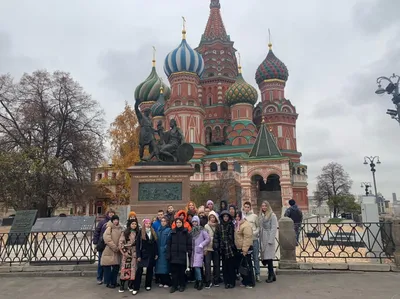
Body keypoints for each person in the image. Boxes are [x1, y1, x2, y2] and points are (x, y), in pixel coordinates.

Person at [133, 219, 158, 295]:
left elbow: (155, 244)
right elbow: (138, 245)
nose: (148, 225)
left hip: (151, 254)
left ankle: (148, 285)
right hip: (143, 254)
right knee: (139, 271)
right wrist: (138, 255)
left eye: (149, 223)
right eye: (147, 223)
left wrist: (156, 253)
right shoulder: (141, 232)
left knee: (150, 270)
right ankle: (136, 287)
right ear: (144, 224)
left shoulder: (153, 232)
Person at [167, 218, 192, 293]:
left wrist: (189, 251)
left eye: (179, 222)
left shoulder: (186, 232)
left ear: (182, 223)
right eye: (177, 222)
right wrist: (168, 254)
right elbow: (169, 244)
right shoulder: (172, 232)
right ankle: (174, 286)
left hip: (182, 255)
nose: (178, 224)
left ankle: (182, 285)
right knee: (174, 272)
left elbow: (189, 244)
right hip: (174, 256)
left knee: (181, 272)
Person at [213, 210, 236, 289]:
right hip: (223, 248)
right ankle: (226, 282)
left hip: (230, 248)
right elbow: (216, 237)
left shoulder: (231, 225)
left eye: (227, 216)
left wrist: (233, 245)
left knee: (231, 266)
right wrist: (217, 246)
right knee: (225, 266)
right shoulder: (219, 226)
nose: (225, 218)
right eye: (224, 216)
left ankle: (232, 282)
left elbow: (234, 236)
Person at [93, 209, 115, 285]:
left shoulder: (115, 222)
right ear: (107, 213)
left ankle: (108, 278)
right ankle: (99, 278)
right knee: (101, 262)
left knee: (110, 263)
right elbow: (97, 232)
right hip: (103, 245)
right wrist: (95, 242)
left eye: (112, 213)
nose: (111, 214)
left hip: (111, 245)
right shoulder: (102, 222)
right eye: (110, 213)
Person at [100, 215, 122, 289]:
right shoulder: (109, 228)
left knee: (116, 268)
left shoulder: (120, 228)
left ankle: (114, 282)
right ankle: (108, 282)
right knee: (108, 268)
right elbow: (107, 239)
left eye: (117, 220)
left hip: (117, 250)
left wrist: (119, 247)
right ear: (112, 220)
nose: (116, 221)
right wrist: (114, 247)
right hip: (109, 250)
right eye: (114, 220)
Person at [235, 211, 255, 289]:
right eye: (236, 216)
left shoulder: (245, 225)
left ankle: (250, 282)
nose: (237, 218)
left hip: (245, 248)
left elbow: (247, 238)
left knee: (248, 265)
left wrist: (245, 249)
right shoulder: (238, 224)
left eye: (238, 216)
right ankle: (245, 280)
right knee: (243, 265)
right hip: (239, 248)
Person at [259, 201, 278, 283]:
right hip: (262, 237)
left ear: (268, 206)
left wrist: (271, 239)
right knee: (265, 257)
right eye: (262, 206)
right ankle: (272, 274)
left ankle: (271, 274)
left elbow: (274, 228)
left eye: (265, 206)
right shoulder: (261, 215)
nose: (264, 207)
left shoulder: (272, 215)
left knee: (269, 258)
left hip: (268, 237)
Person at [119, 219, 139, 293]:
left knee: (133, 270)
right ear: (130, 225)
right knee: (124, 269)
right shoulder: (125, 233)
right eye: (132, 224)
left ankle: (130, 284)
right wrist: (125, 252)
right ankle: (122, 285)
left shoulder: (138, 233)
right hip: (127, 254)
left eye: (135, 224)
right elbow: (121, 243)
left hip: (134, 254)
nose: (134, 225)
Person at [190, 216, 210, 291]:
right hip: (193, 251)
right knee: (195, 267)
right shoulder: (192, 231)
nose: (194, 223)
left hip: (199, 251)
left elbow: (208, 239)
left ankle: (200, 281)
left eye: (195, 222)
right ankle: (197, 280)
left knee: (197, 267)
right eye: (193, 222)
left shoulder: (202, 230)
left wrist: (201, 245)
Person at [242, 201, 260, 282]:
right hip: (246, 241)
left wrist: (254, 233)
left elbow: (258, 227)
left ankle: (257, 274)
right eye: (245, 207)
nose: (246, 208)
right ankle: (249, 274)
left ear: (250, 208)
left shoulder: (254, 216)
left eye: (248, 207)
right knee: (246, 258)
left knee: (255, 257)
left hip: (254, 239)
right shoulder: (242, 217)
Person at [204, 211, 220, 288]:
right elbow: (204, 237)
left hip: (216, 248)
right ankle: (208, 280)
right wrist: (205, 248)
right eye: (211, 217)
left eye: (213, 217)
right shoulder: (206, 226)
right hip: (208, 248)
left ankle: (216, 280)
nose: (212, 219)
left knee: (216, 264)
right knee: (207, 265)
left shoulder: (218, 226)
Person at [155, 217, 171, 288]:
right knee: (159, 267)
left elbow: (169, 241)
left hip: (164, 251)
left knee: (165, 267)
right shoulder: (158, 230)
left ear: (167, 222)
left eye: (164, 221)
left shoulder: (169, 230)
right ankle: (161, 281)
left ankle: (167, 282)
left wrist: (165, 248)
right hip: (158, 250)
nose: (163, 222)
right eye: (162, 221)